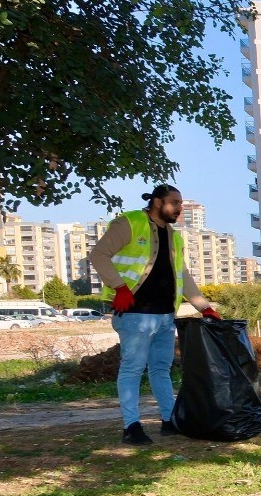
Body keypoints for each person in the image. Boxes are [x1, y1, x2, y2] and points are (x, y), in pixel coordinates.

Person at [88, 184, 221, 445]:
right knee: (132, 369)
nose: (180, 209)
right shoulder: (130, 223)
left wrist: (203, 307)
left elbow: (182, 275)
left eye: (181, 204)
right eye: (175, 203)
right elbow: (98, 255)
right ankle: (132, 427)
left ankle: (169, 421)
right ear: (158, 202)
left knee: (161, 369)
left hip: (164, 315)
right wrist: (120, 288)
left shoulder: (175, 237)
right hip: (135, 313)